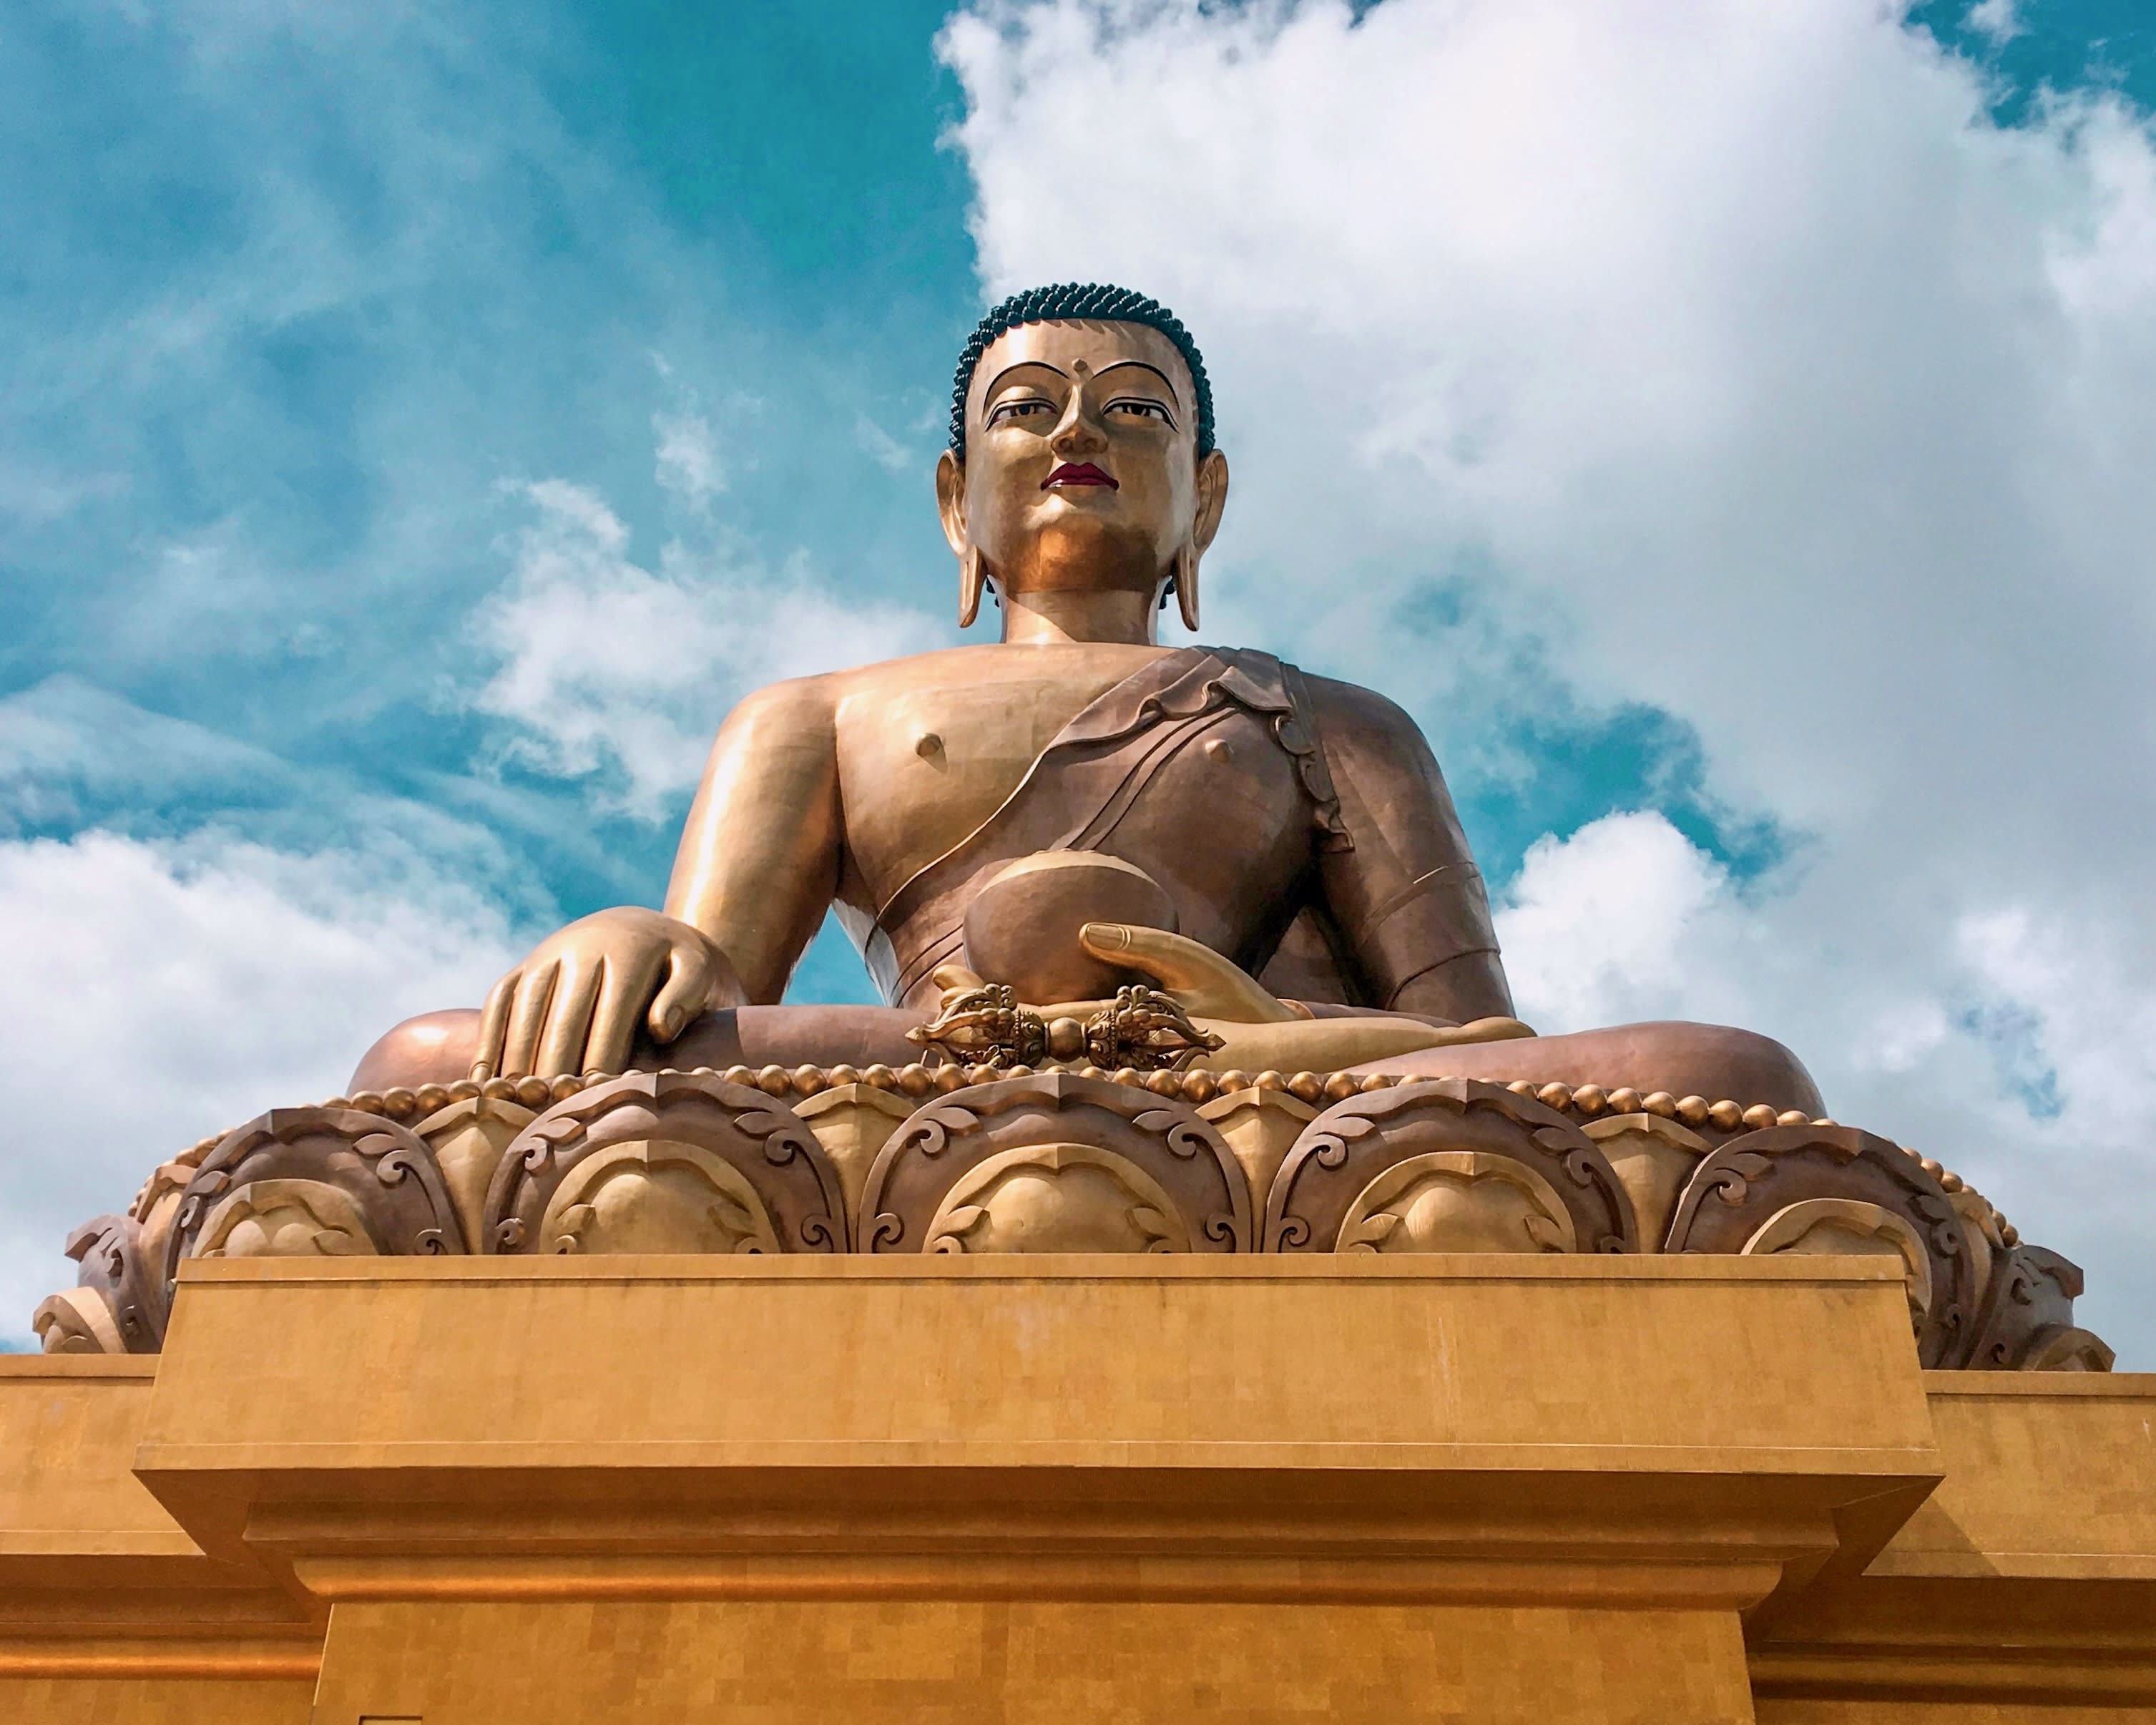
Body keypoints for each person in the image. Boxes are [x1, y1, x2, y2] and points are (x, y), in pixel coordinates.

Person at [356, 284, 1820, 1114]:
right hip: (922, 1073)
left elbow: (1489, 1055)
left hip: (1271, 1087)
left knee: (1720, 1078)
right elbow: (708, 1000)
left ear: (1207, 501)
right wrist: (636, 939)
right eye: (1028, 407)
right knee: (431, 1067)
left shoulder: (1331, 719)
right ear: (953, 502)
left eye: (1134, 409)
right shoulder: (813, 714)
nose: (1077, 430)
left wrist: (1248, 1039)